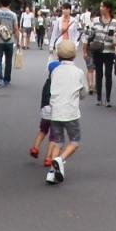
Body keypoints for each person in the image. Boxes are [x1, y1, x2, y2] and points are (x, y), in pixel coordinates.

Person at [44, 39, 86, 184]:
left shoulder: (55, 71)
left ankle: (51, 173)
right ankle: (60, 159)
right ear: (74, 55)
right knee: (74, 141)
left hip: (55, 112)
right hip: (71, 113)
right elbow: (84, 92)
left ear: (58, 55)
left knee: (57, 142)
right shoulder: (78, 72)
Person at [85, 0, 116, 107]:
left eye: (102, 6)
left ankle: (108, 99)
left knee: (108, 74)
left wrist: (114, 38)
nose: (100, 8)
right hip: (98, 51)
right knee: (99, 74)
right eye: (100, 6)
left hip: (109, 51)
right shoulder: (95, 20)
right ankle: (99, 98)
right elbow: (90, 34)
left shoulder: (115, 22)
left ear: (108, 8)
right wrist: (88, 32)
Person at [30, 56, 64, 164]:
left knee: (43, 130)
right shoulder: (60, 84)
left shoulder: (47, 83)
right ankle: (48, 157)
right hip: (55, 112)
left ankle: (35, 148)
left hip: (45, 111)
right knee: (53, 136)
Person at [0, 0, 19, 87]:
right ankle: (7, 80)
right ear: (9, 4)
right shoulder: (13, 15)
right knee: (8, 61)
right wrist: (18, 41)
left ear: (1, 3)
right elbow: (16, 29)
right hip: (9, 41)